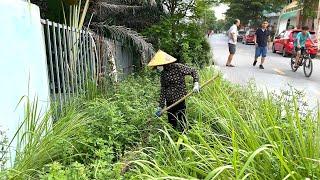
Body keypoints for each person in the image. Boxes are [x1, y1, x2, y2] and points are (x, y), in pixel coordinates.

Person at [148, 50, 200, 132]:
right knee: (172, 122)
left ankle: (184, 136)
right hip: (169, 101)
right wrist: (160, 107)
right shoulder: (163, 74)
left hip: (180, 99)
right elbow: (163, 90)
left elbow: (193, 71)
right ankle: (173, 137)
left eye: (158, 66)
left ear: (163, 64)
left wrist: (196, 83)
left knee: (182, 119)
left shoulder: (178, 67)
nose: (157, 68)